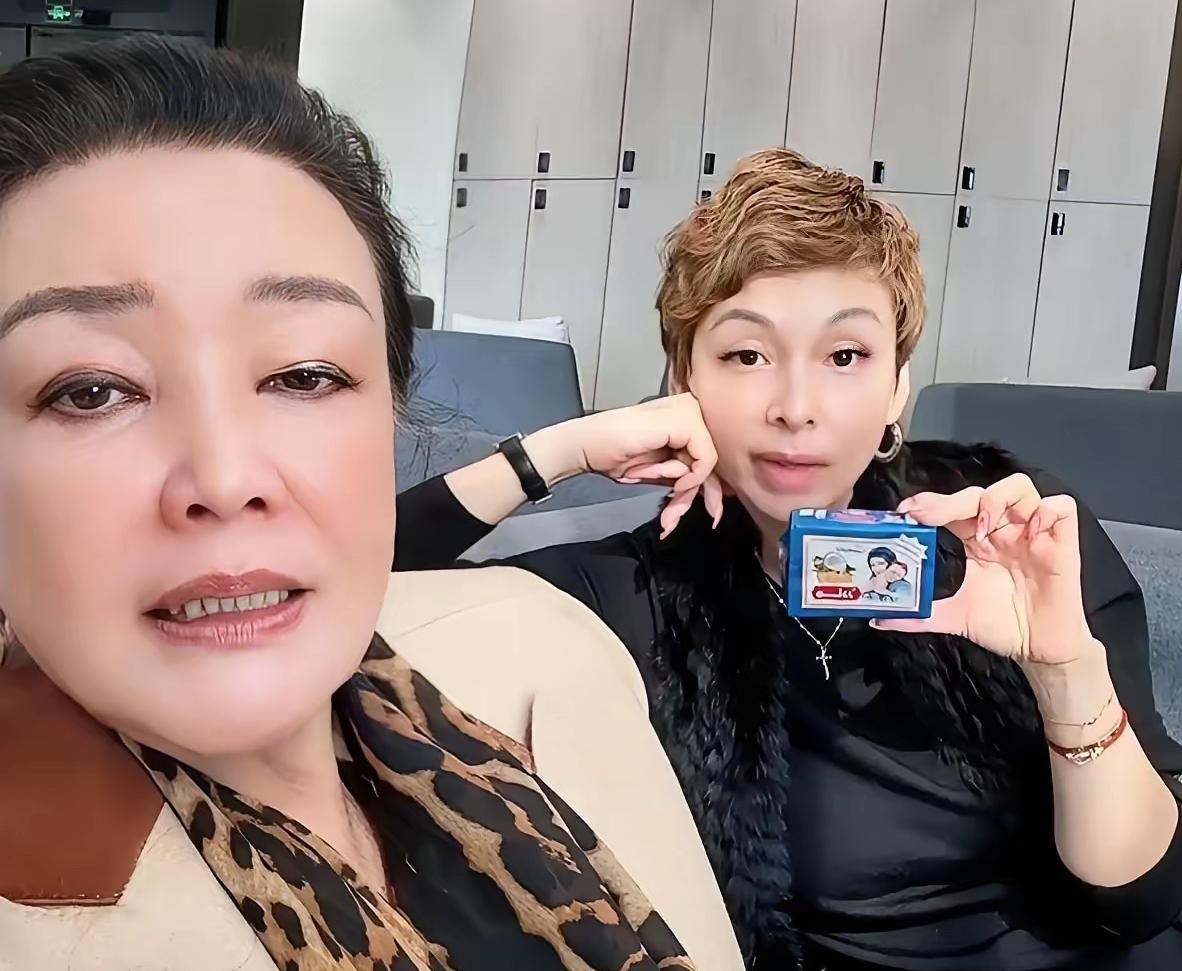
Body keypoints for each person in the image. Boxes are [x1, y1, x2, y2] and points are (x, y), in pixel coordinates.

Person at [0, 37, 742, 971]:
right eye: (91, 391)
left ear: (391, 406)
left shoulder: (546, 648)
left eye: (304, 374)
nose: (224, 478)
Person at [395, 150, 1182, 969]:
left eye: (845, 357)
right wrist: (559, 450)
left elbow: (1141, 901)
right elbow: (361, 595)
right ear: (683, 377)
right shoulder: (637, 589)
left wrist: (1063, 670)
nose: (796, 409)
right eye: (747, 355)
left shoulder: (1009, 531)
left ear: (897, 387)